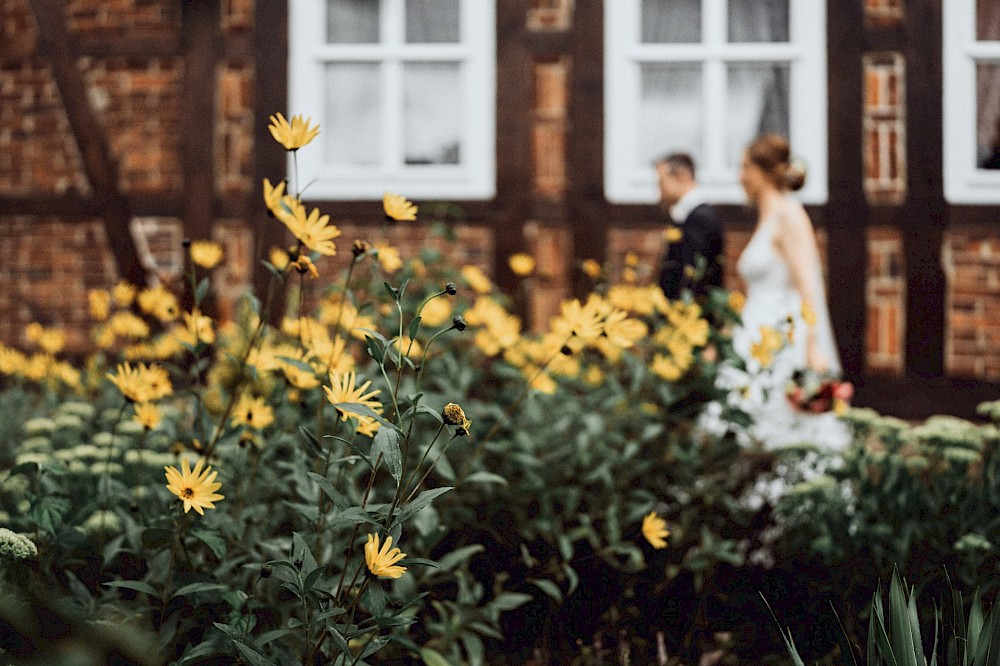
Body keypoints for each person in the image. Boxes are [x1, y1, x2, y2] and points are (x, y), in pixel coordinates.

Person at [727, 134, 849, 450]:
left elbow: (808, 284)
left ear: (764, 172)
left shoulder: (789, 214)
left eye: (745, 167)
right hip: (755, 333)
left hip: (783, 335)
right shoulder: (767, 216)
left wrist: (813, 345)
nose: (740, 176)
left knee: (784, 420)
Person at [655, 153, 724, 300]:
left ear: (682, 176)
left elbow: (693, 276)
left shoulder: (700, 218)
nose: (659, 192)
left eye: (661, 182)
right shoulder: (688, 215)